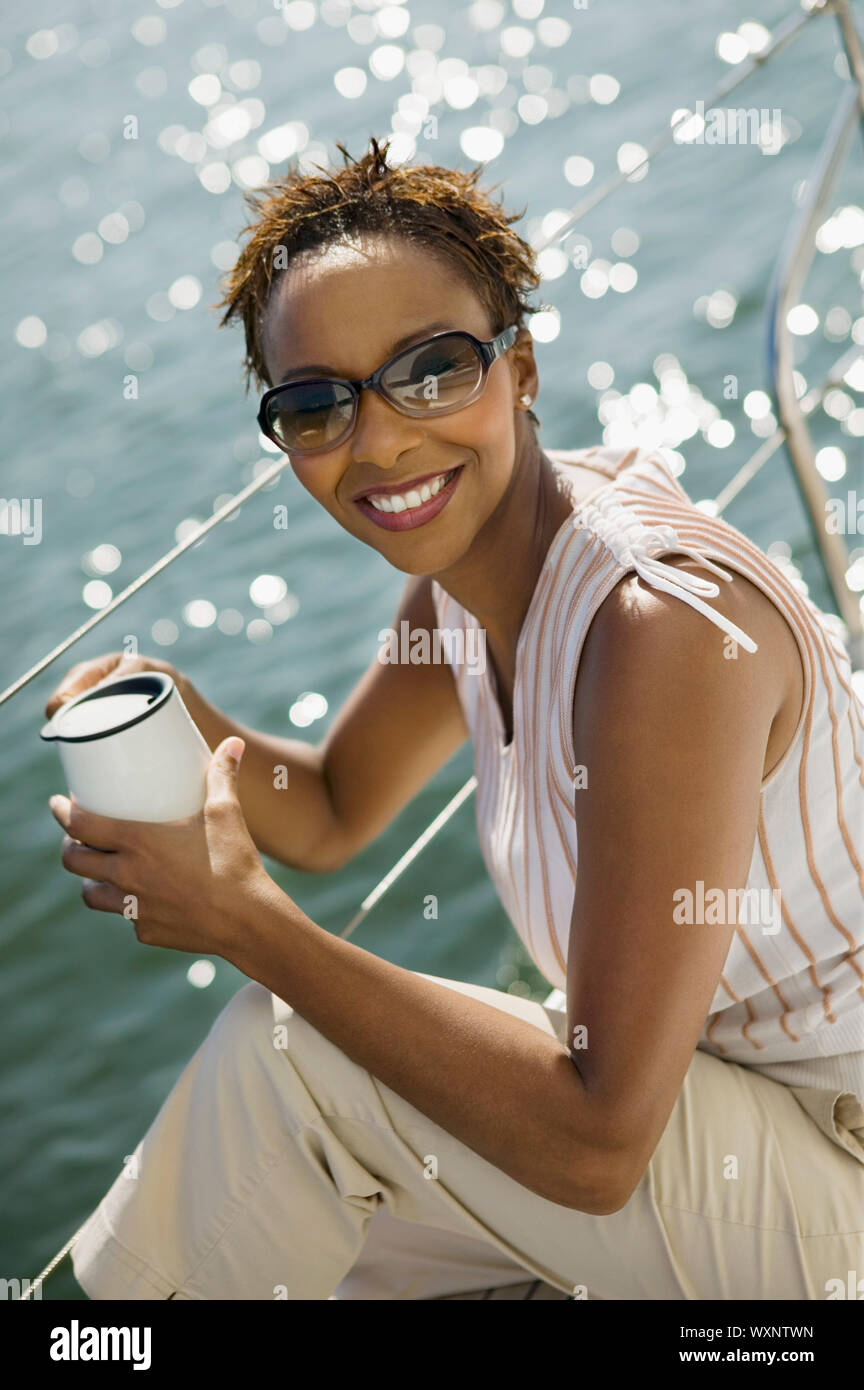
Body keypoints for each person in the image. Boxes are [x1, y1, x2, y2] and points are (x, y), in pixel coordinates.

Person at [47, 136, 864, 1301]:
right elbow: (332, 810)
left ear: (520, 369)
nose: (378, 438)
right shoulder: (463, 594)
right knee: (313, 1240)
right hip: (725, 1118)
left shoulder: (657, 632)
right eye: (317, 403)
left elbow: (599, 1145)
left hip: (835, 1159)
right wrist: (183, 713)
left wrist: (247, 926)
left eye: (433, 369)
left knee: (293, 1060)